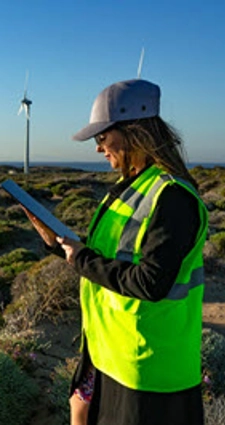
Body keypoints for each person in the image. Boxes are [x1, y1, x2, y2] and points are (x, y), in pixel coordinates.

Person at [25, 79, 209, 425]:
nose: (98, 149)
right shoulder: (130, 188)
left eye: (102, 137)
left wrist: (80, 257)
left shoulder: (172, 198)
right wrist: (56, 244)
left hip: (149, 372)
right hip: (109, 354)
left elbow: (151, 282)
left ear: (134, 132)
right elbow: (106, 258)